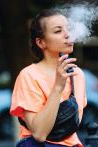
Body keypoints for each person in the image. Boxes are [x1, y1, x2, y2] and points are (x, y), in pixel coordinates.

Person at [10, 8, 87, 147]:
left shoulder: (77, 75)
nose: (67, 35)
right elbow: (39, 134)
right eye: (58, 31)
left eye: (68, 29)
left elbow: (71, 126)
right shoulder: (29, 75)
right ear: (41, 43)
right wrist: (58, 86)